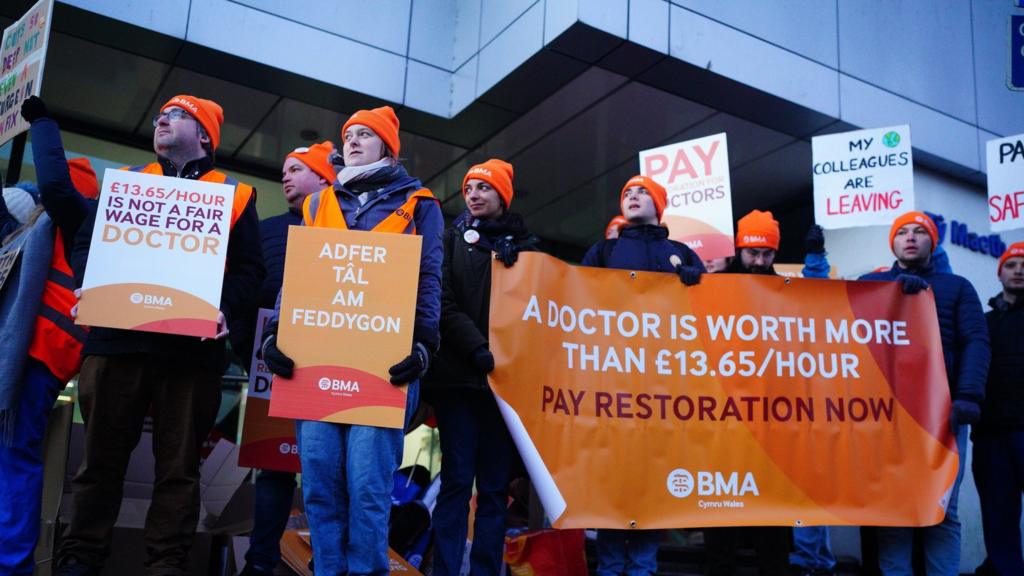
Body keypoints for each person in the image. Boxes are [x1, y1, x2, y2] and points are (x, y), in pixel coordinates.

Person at [56, 95, 264, 576]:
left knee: (179, 472)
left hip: (191, 355)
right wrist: (89, 283)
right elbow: (86, 244)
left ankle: (165, 566)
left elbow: (250, 271)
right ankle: (78, 561)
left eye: (177, 115)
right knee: (99, 465)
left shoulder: (235, 195)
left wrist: (225, 309)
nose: (162, 120)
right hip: (117, 344)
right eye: (159, 115)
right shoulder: (128, 185)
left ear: (206, 135)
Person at [260, 106, 443, 576]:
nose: (354, 142)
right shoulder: (319, 203)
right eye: (349, 135)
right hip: (315, 364)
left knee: (367, 487)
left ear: (388, 146)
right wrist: (277, 333)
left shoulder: (421, 205)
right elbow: (298, 276)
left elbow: (429, 280)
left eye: (366, 134)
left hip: (384, 368)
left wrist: (422, 346)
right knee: (320, 481)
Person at [582, 175, 704, 576]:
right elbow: (574, 304)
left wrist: (696, 283)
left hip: (668, 392)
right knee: (614, 483)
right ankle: (611, 567)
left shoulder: (682, 253)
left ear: (658, 203)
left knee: (656, 483)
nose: (633, 196)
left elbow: (715, 317)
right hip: (615, 389)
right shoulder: (604, 250)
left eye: (641, 192)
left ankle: (642, 569)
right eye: (626, 193)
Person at [859, 211, 989, 576]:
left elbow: (976, 341)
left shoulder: (958, 287)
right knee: (895, 507)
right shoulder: (869, 284)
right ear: (894, 243)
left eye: (920, 232)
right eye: (903, 232)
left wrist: (968, 396)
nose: (911, 238)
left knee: (942, 507)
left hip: (943, 416)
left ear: (933, 242)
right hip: (886, 415)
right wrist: (894, 290)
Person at [0, 96, 99, 575]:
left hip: (35, 355)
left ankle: (12, 564)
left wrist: (42, 123)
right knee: (15, 456)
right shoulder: (41, 223)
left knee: (15, 457)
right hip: (38, 355)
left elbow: (55, 185)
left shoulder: (65, 216)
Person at [423, 159, 537, 576]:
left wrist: (520, 261)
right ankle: (446, 569)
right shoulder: (450, 239)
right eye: (469, 187)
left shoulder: (527, 250)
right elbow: (443, 303)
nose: (473, 194)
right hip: (458, 381)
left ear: (503, 197)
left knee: (493, 488)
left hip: (504, 388)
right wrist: (477, 349)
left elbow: (540, 313)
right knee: (456, 482)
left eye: (484, 188)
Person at [241, 142, 335, 576]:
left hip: (331, 368)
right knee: (273, 470)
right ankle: (260, 564)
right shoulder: (268, 230)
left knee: (326, 474)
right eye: (284, 170)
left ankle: (327, 563)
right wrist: (250, 354)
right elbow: (249, 293)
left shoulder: (349, 227)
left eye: (297, 169)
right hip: (272, 367)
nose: (285, 176)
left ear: (323, 178)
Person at [705, 209, 793, 576]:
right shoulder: (713, 284)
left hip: (772, 420)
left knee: (772, 518)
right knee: (721, 511)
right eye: (752, 252)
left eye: (767, 254)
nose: (759, 261)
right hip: (722, 416)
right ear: (739, 248)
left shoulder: (789, 291)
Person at [971, 241, 1024, 575]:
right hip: (991, 434)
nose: (1019, 270)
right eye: (1012, 264)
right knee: (998, 513)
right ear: (999, 272)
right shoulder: (983, 323)